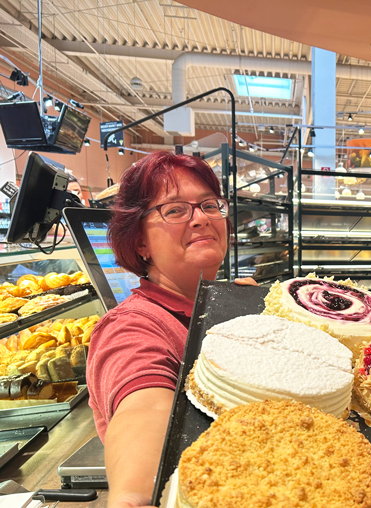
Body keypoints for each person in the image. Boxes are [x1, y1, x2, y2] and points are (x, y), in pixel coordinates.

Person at [85, 151, 256, 508]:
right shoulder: (133, 325)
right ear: (140, 243)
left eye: (209, 205)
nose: (201, 219)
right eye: (176, 210)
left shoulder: (228, 306)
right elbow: (144, 406)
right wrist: (135, 492)